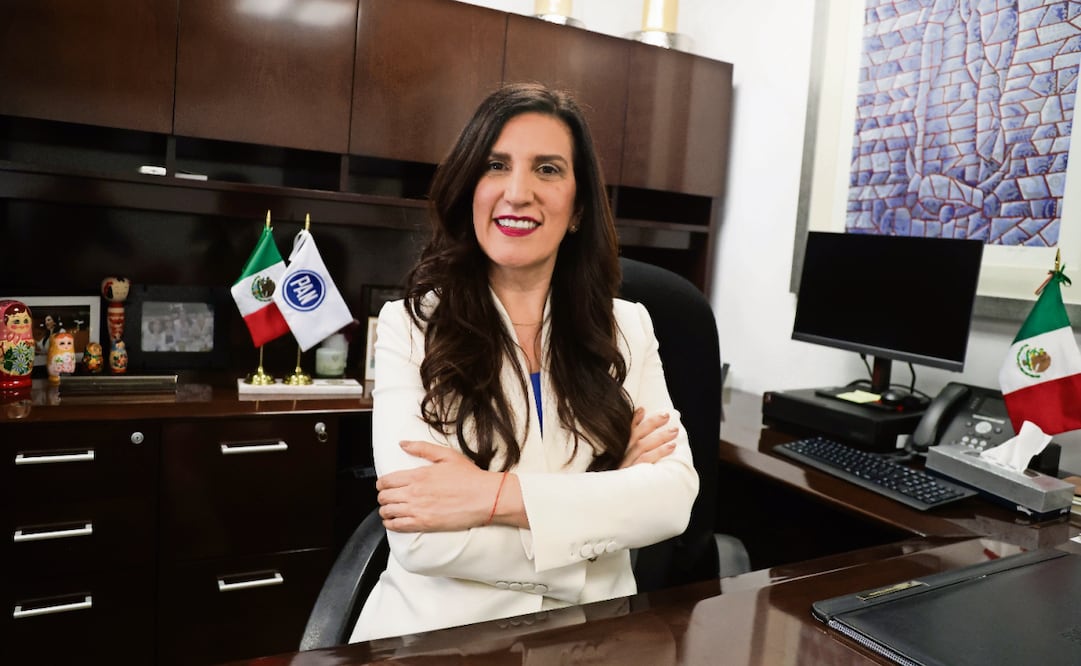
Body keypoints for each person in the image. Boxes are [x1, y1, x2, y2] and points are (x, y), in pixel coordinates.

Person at [350, 83, 699, 642]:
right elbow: (423, 539)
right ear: (470, 188)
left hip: (593, 642)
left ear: (579, 206)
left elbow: (671, 502)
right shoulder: (409, 326)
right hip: (444, 640)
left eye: (548, 170)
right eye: (496, 165)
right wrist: (605, 516)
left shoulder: (628, 326)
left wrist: (490, 497)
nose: (518, 192)